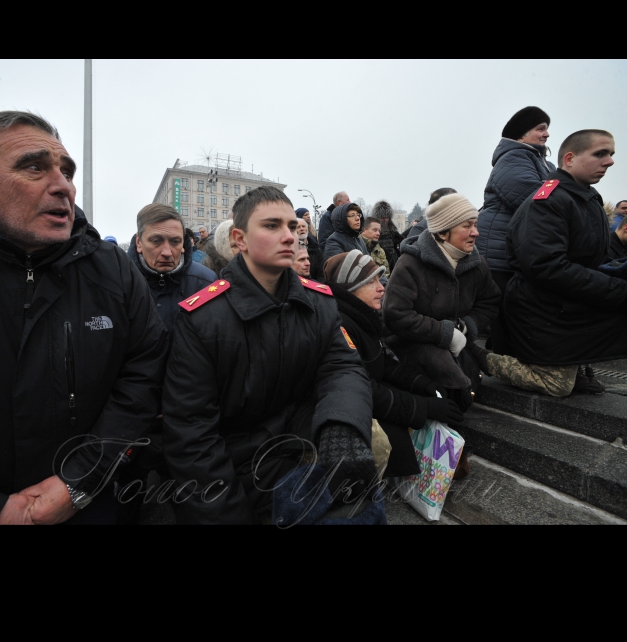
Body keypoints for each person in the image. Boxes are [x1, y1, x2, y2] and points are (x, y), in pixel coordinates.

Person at [0, 111, 168, 525]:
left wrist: (80, 481)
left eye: (67, 171)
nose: (62, 186)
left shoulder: (112, 269)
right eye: (34, 167)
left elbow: (144, 375)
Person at [162, 186, 377, 525]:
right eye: (272, 226)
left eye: (293, 226)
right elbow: (191, 435)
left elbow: (343, 368)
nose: (289, 236)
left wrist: (342, 426)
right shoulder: (202, 319)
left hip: (308, 452)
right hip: (242, 475)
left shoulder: (318, 302)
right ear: (239, 240)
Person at [490, 130, 627, 396]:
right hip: (542, 310)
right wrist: (616, 290)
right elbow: (547, 267)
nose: (609, 161)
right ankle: (478, 357)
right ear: (569, 158)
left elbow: (590, 259)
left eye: (610, 154)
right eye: (600, 154)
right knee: (557, 385)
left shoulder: (586, 198)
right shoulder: (549, 201)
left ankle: (577, 365)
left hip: (566, 303)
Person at [325, 252, 465, 479]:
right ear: (350, 288)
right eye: (370, 281)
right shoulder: (340, 324)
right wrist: (422, 407)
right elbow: (362, 388)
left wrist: (421, 383)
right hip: (348, 408)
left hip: (367, 397)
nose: (381, 287)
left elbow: (382, 362)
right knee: (393, 437)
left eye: (379, 279)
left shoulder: (361, 316)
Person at [383, 194, 501, 402]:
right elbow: (395, 314)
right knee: (456, 391)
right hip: (413, 348)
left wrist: (467, 326)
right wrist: (444, 332)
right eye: (467, 226)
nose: (476, 232)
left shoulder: (477, 264)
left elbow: (490, 302)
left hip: (459, 343)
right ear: (444, 233)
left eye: (475, 224)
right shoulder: (410, 264)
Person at [477, 107, 556, 353]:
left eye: (547, 128)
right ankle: (503, 363)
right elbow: (534, 198)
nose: (547, 134)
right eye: (540, 128)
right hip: (500, 250)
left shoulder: (541, 162)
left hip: (519, 249)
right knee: (507, 308)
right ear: (521, 135)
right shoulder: (513, 159)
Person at [128, 205, 217, 339]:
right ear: (139, 242)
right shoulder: (119, 282)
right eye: (156, 241)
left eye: (175, 242)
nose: (167, 252)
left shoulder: (206, 283)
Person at [370, 201, 404, 271]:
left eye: (387, 217)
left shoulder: (393, 230)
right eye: (382, 217)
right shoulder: (371, 231)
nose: (385, 220)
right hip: (379, 262)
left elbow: (399, 243)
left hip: (393, 262)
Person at [296, 209, 324, 281]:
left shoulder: (316, 248)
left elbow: (321, 273)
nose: (302, 229)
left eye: (303, 226)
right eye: (298, 227)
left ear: (307, 230)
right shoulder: (291, 249)